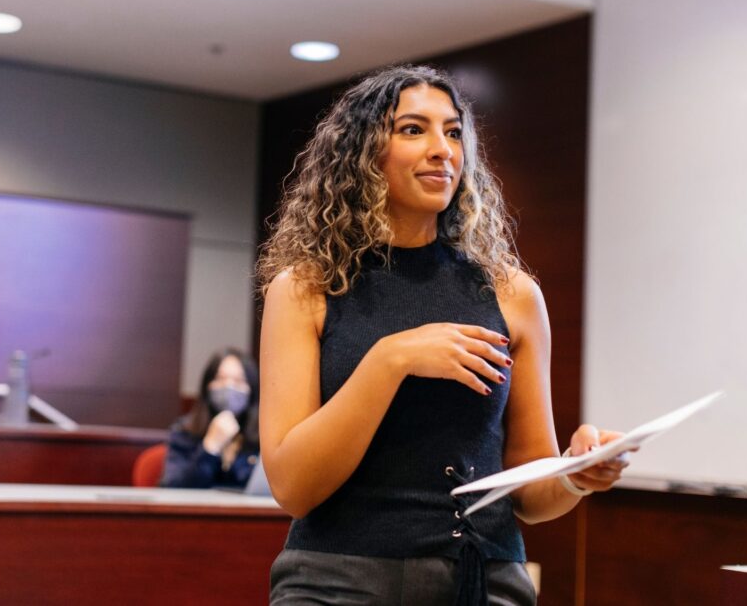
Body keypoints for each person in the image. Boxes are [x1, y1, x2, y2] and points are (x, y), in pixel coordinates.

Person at [256, 65, 631, 605]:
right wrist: (390, 360)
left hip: (481, 582)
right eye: (414, 130)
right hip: (337, 582)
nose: (443, 150)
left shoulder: (512, 294)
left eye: (453, 132)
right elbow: (293, 487)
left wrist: (575, 474)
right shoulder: (304, 289)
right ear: (362, 153)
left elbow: (528, 491)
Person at [160, 347, 260, 489]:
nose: (229, 386)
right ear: (207, 385)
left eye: (239, 381)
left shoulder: (263, 437)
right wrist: (210, 447)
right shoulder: (184, 431)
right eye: (220, 379)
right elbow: (173, 487)